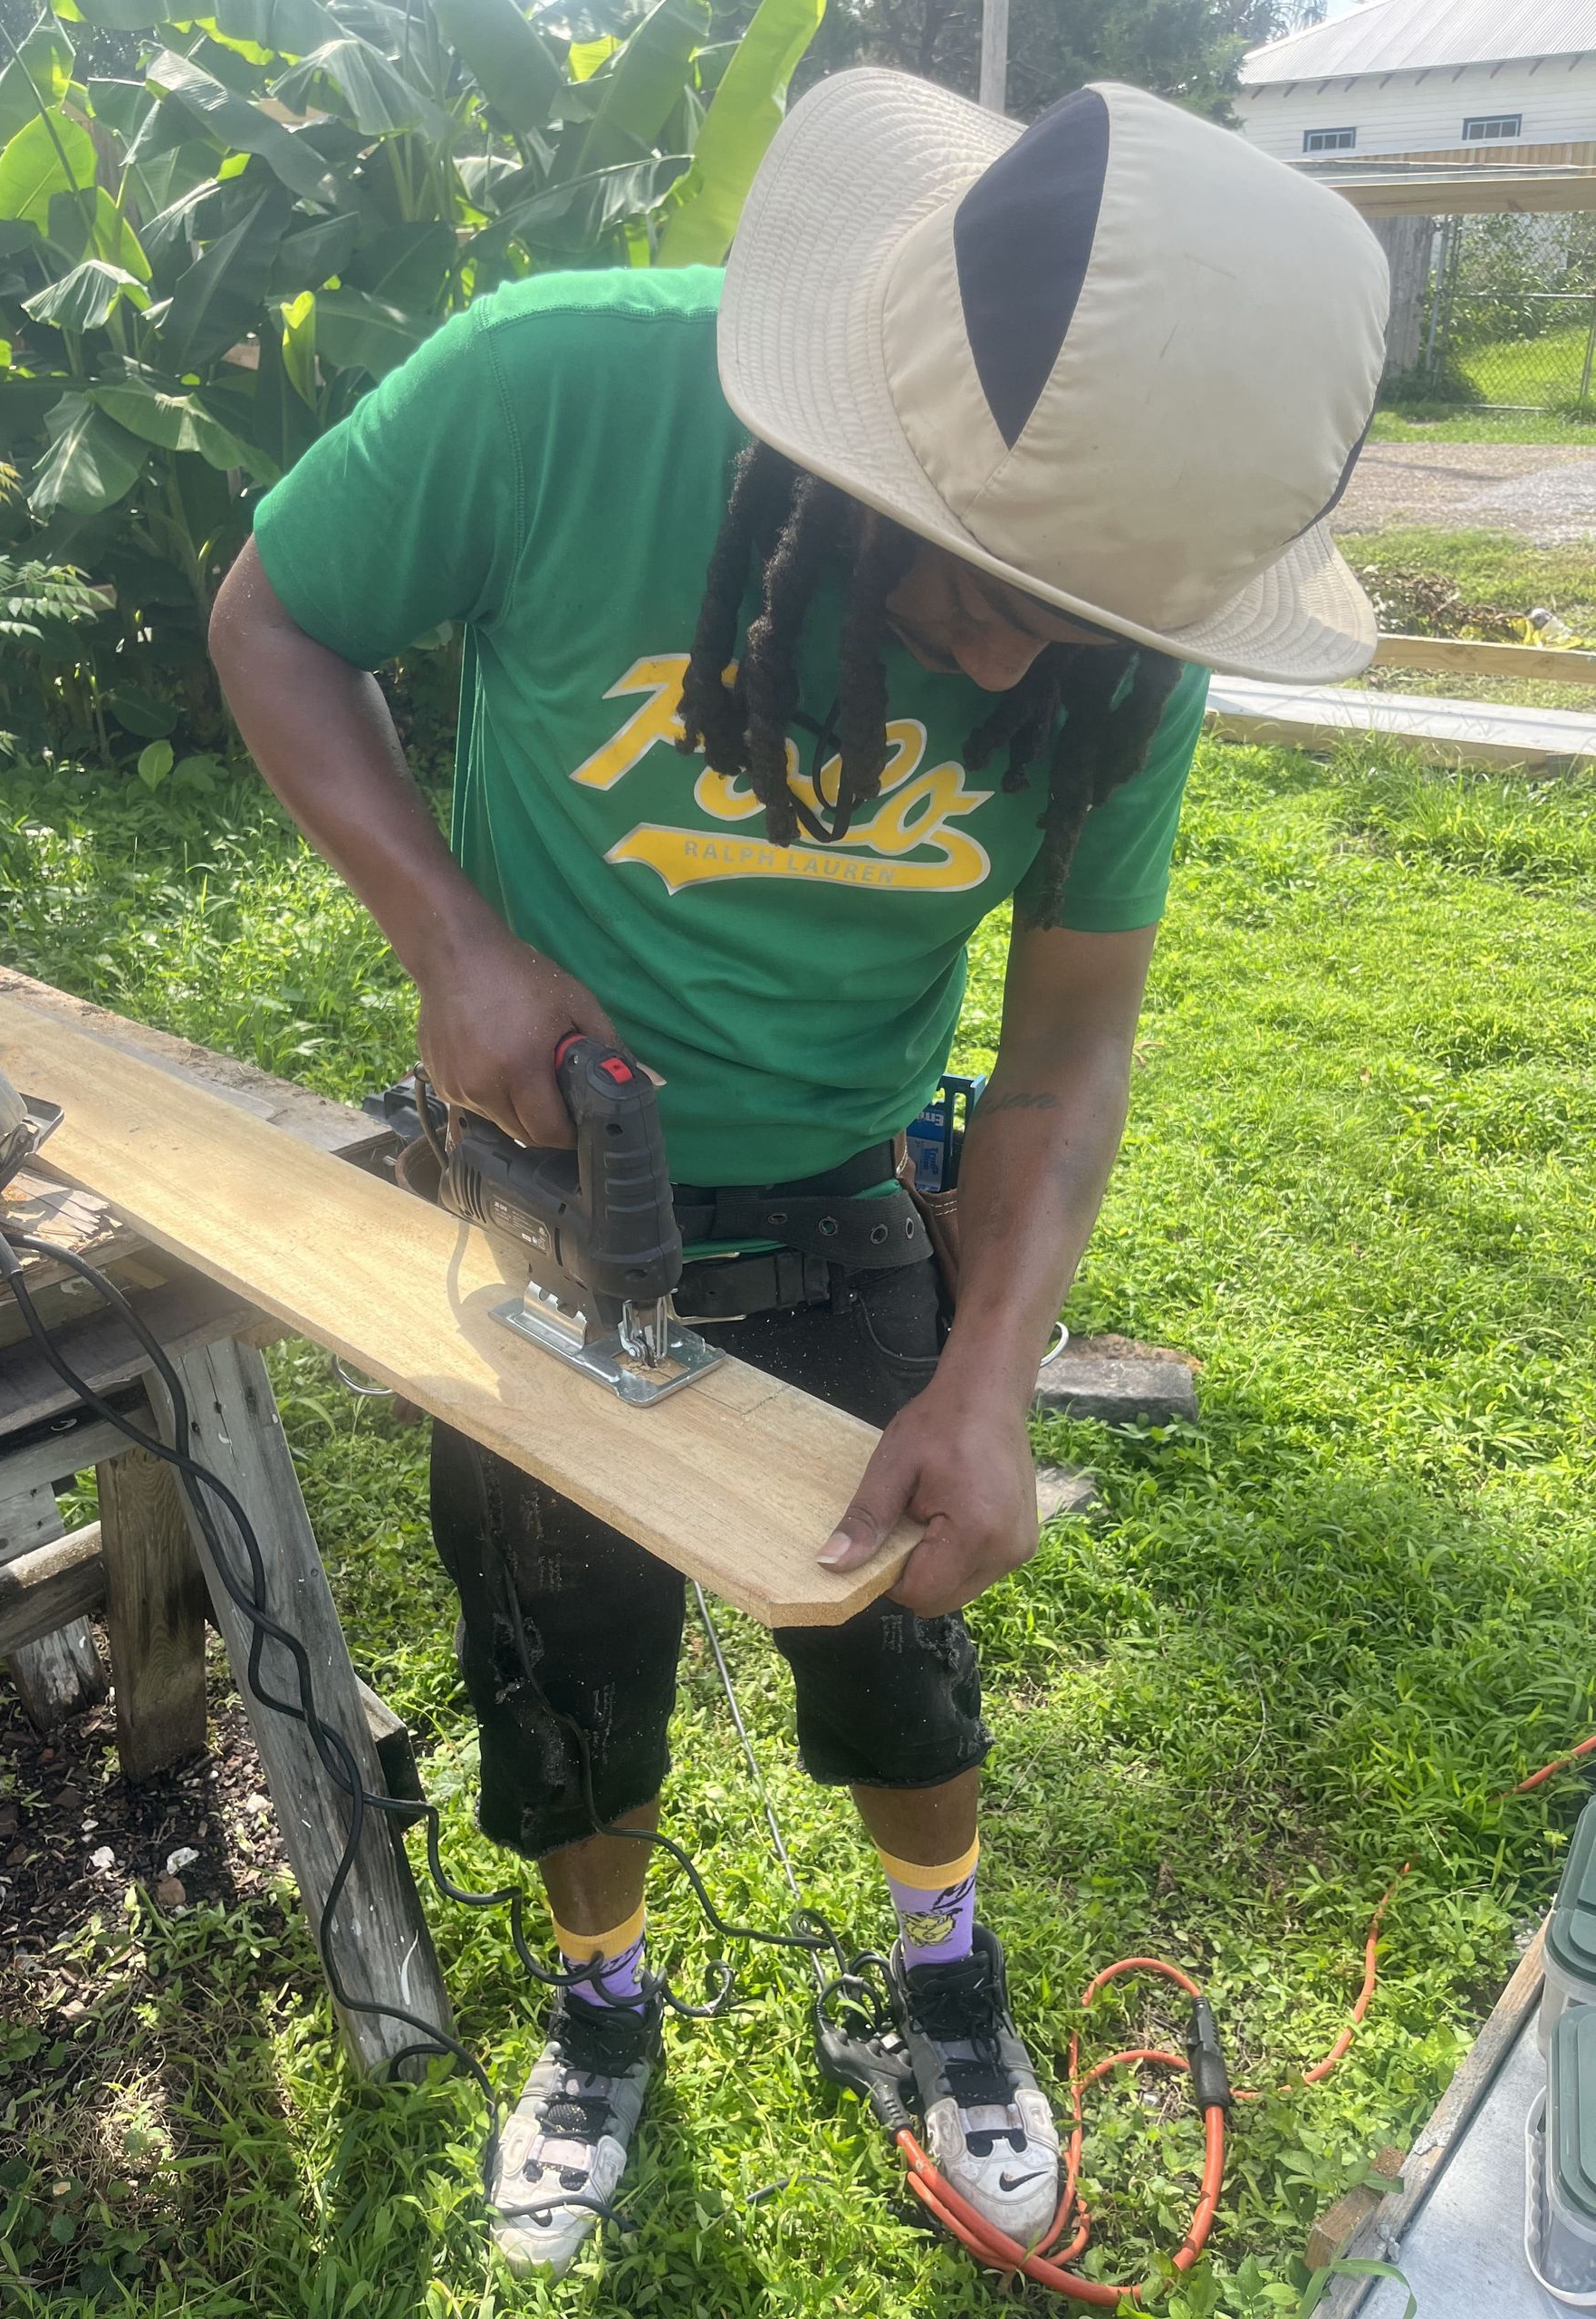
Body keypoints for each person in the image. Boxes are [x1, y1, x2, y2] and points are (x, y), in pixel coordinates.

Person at [210, 66, 1386, 2278]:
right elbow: (271, 622)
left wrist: (996, 1370)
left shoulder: (1129, 605)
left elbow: (1065, 1046)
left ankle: (949, 1975)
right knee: (563, 1666)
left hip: (859, 1187)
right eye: (986, 567)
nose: (1027, 650)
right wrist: (455, 944)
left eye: (1092, 614)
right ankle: (601, 1998)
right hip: (537, 1204)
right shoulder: (563, 385)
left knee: (900, 1645)